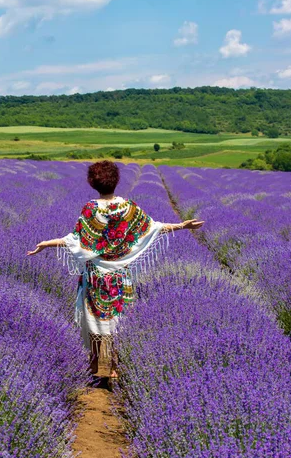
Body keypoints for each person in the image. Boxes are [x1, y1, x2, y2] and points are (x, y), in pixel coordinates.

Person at [27, 161, 204, 387]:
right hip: (121, 276)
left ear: (92, 183)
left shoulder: (91, 209)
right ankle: (113, 369)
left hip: (95, 277)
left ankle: (96, 369)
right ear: (117, 181)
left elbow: (75, 240)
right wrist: (182, 225)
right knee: (117, 321)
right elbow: (153, 227)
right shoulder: (128, 208)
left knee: (95, 321)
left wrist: (46, 244)